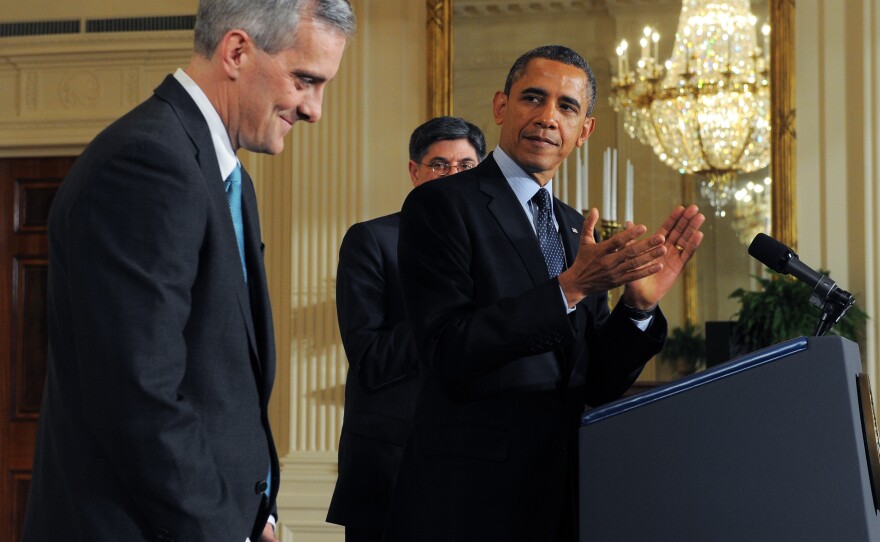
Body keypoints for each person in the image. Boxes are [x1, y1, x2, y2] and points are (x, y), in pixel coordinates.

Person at [21, 1, 355, 541]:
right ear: (238, 51)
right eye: (305, 80)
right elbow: (141, 396)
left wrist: (256, 516)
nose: (315, 109)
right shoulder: (146, 162)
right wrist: (226, 530)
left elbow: (217, 384)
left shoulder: (228, 178)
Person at [384, 45, 706, 541]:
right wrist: (569, 288)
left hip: (562, 500)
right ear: (500, 107)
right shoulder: (440, 204)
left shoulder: (577, 228)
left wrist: (638, 308)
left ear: (584, 132)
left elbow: (594, 382)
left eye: (566, 106)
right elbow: (446, 349)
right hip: (468, 501)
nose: (547, 117)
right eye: (533, 98)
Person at [327, 116, 487, 542]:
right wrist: (442, 308)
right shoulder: (371, 240)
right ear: (415, 171)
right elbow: (370, 361)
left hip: (480, 470)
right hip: (390, 473)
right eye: (440, 164)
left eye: (466, 166)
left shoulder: (498, 247)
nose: (453, 176)